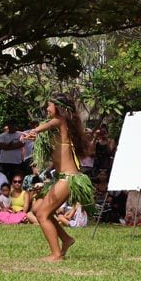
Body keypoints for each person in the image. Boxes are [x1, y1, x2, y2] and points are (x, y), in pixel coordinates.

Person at [21, 93, 93, 261]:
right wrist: (36, 136)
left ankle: (56, 254)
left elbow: (46, 125)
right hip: (61, 177)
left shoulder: (60, 121)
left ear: (59, 108)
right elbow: (46, 134)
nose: (47, 109)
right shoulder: (59, 128)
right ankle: (66, 239)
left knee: (42, 215)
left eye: (49, 105)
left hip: (67, 178)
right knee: (39, 209)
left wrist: (33, 131)